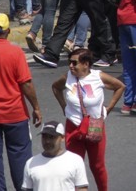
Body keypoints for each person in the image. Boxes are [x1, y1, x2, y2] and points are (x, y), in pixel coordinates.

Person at [51, 48, 125, 191]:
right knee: (73, 166)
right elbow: (55, 88)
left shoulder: (98, 77)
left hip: (94, 127)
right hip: (73, 127)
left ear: (86, 64)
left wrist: (107, 110)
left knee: (97, 166)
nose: (71, 66)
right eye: (69, 62)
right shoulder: (68, 77)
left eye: (74, 63)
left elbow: (120, 86)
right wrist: (64, 108)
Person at [0, 13, 43, 191]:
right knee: (20, 156)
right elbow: (25, 84)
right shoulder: (15, 52)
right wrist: (36, 107)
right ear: (8, 31)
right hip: (15, 114)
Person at [21, 121, 89, 191]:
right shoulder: (30, 163)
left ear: (62, 138)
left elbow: (82, 188)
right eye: (44, 137)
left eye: (52, 137)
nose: (47, 141)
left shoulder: (75, 161)